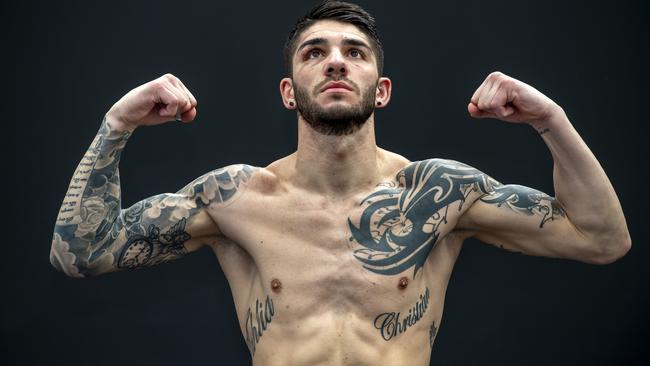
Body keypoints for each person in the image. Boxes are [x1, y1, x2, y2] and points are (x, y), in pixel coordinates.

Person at [50, 1, 631, 365]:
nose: (335, 62)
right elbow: (81, 255)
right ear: (288, 90)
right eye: (315, 52)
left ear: (381, 90)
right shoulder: (235, 198)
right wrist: (117, 123)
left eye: (354, 52)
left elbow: (602, 239)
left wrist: (549, 119)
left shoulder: (437, 195)